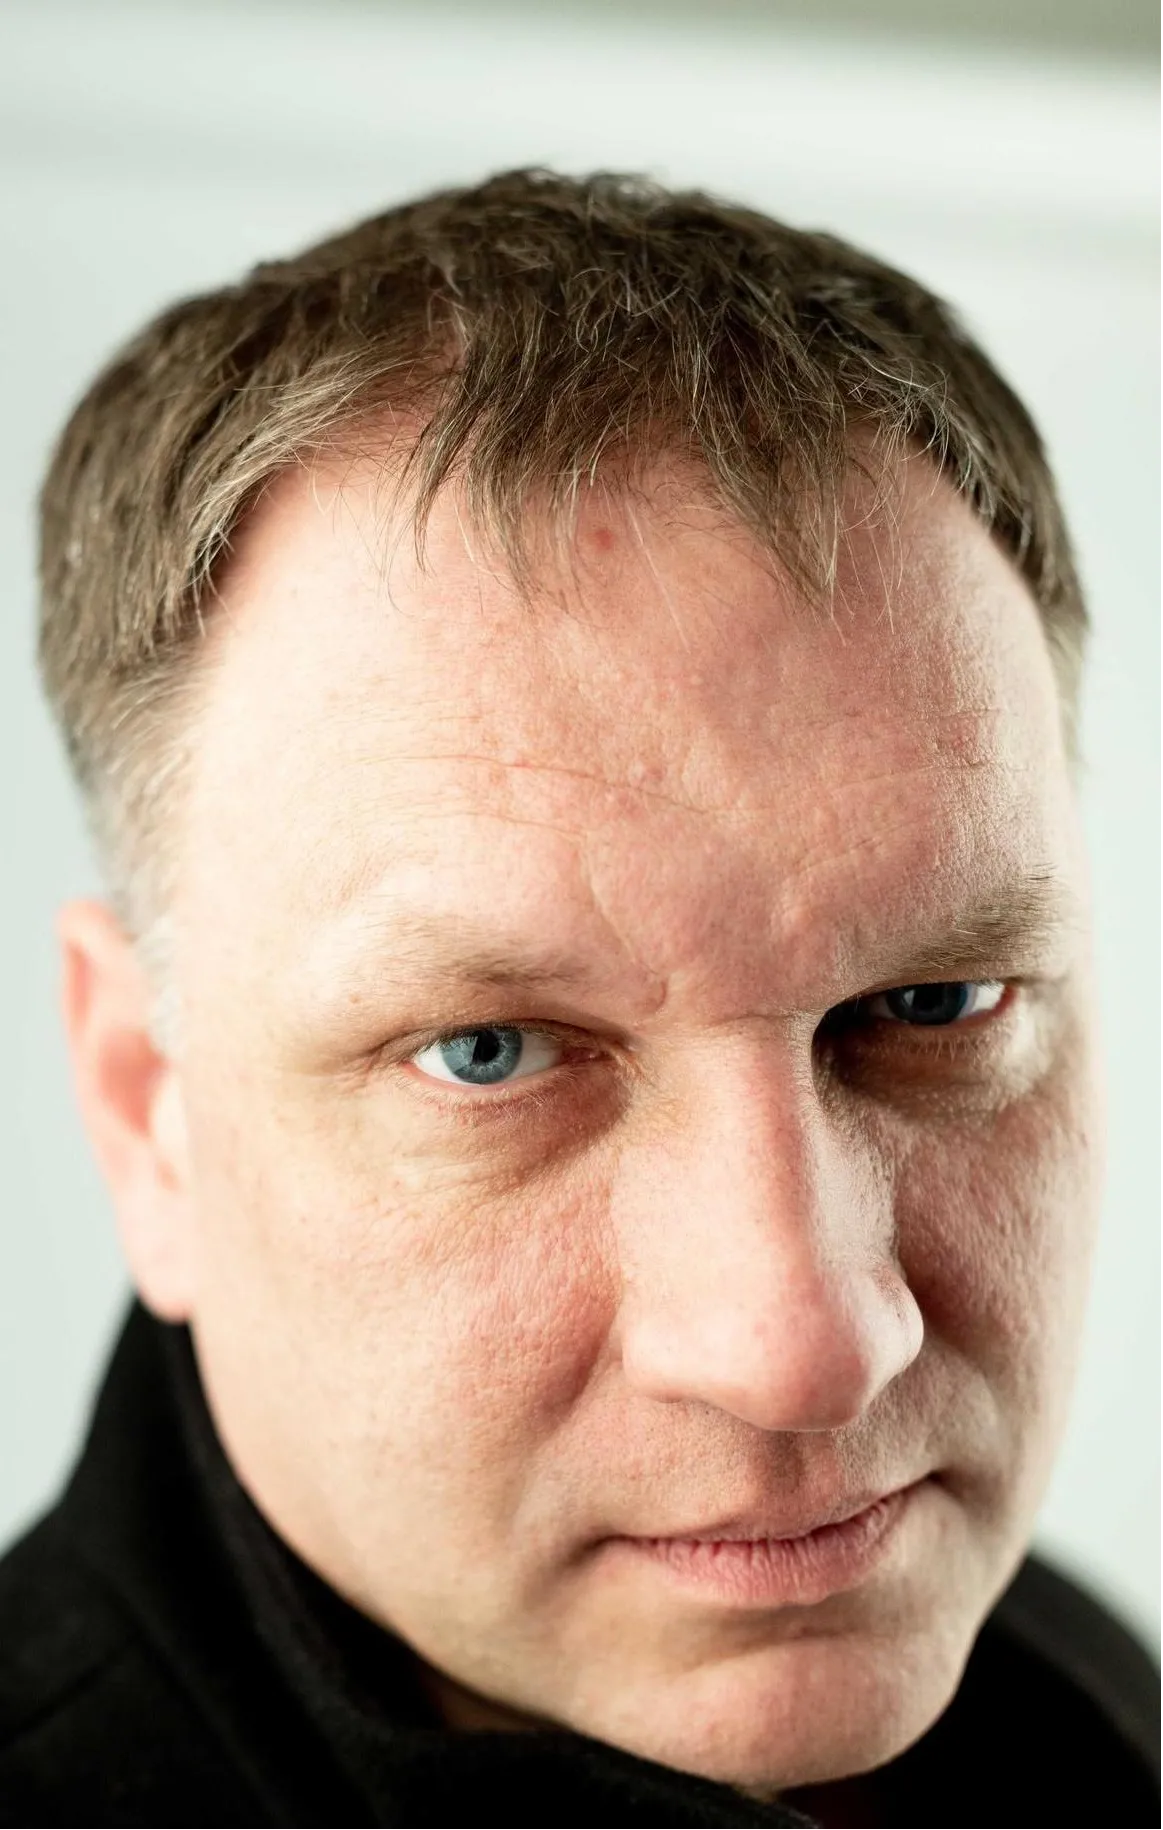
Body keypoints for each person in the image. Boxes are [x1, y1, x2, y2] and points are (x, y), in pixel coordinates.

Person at [0, 167, 1159, 1829]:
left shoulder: (1078, 1697)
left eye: (934, 1001)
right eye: (490, 1053)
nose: (802, 1347)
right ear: (145, 1110)